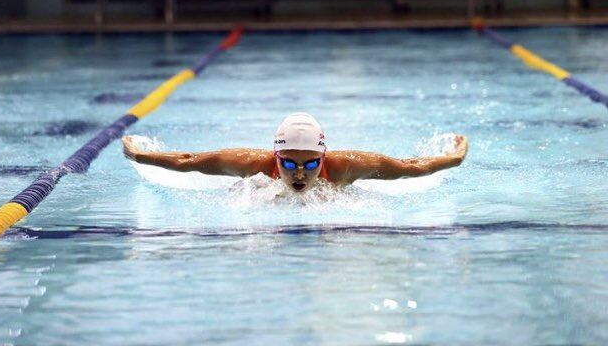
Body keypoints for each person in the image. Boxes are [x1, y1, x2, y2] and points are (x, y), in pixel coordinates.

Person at [122, 112, 468, 193]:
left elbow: (408, 166)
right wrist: (142, 157)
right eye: (288, 163)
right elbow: (190, 162)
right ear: (275, 159)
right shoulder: (252, 165)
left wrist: (452, 159)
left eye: (310, 164)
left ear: (324, 157)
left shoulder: (345, 167)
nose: (299, 173)